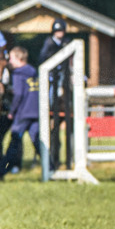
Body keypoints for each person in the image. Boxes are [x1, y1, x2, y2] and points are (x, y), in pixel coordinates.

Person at [0, 47, 40, 179]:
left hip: (23, 113)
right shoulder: (33, 72)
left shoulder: (18, 74)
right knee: (37, 141)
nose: (9, 61)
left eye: (12, 58)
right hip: (35, 112)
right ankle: (52, 169)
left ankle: (0, 172)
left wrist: (12, 111)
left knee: (14, 142)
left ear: (19, 59)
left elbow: (18, 94)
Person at [39, 18, 70, 171]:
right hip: (51, 76)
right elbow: (43, 59)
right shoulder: (49, 43)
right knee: (53, 89)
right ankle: (49, 105)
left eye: (61, 31)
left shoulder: (66, 42)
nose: (59, 33)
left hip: (63, 75)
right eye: (57, 31)